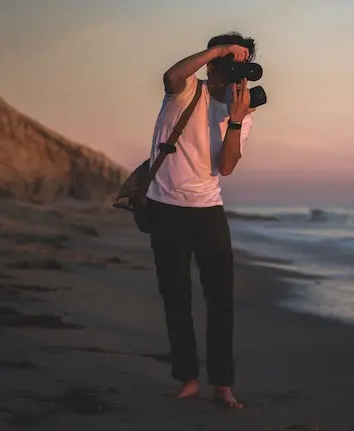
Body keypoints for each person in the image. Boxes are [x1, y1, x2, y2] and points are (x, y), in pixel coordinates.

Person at [145, 31, 258, 409]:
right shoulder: (186, 90)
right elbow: (171, 74)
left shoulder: (239, 110)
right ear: (212, 64)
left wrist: (237, 120)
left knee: (221, 300)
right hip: (165, 207)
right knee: (176, 296)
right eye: (227, 65)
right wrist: (220, 50)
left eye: (239, 68)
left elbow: (225, 166)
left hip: (209, 210)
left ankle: (222, 384)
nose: (234, 77)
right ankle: (188, 378)